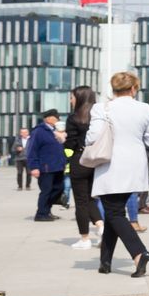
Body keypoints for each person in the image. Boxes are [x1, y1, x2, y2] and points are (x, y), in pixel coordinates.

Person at [86, 72, 149, 277]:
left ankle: (139, 253)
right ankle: (105, 261)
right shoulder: (144, 108)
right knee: (114, 210)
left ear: (113, 88)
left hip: (111, 163)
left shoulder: (102, 108)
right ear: (134, 88)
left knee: (115, 212)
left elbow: (93, 136)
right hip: (135, 164)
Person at [64, 87, 101, 248]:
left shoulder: (74, 118)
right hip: (97, 160)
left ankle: (85, 239)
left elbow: (70, 143)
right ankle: (101, 226)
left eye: (72, 97)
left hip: (79, 159)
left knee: (80, 201)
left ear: (79, 98)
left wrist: (65, 147)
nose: (71, 100)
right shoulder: (98, 116)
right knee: (91, 198)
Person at [27, 111, 67, 220]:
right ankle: (41, 214)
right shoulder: (39, 131)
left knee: (59, 188)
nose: (58, 120)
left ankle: (47, 210)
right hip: (45, 167)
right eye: (56, 118)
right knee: (46, 191)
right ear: (47, 118)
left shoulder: (57, 131)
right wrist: (34, 167)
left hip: (58, 166)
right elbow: (31, 150)